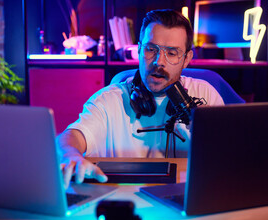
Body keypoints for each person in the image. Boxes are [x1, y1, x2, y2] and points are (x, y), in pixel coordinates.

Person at [56, 9, 224, 188]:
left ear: (186, 59)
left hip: (186, 201)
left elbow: (229, 151)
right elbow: (70, 137)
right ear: (139, 50)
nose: (159, 61)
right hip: (124, 202)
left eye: (172, 53)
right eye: (151, 49)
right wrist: (70, 155)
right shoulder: (109, 100)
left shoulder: (206, 94)